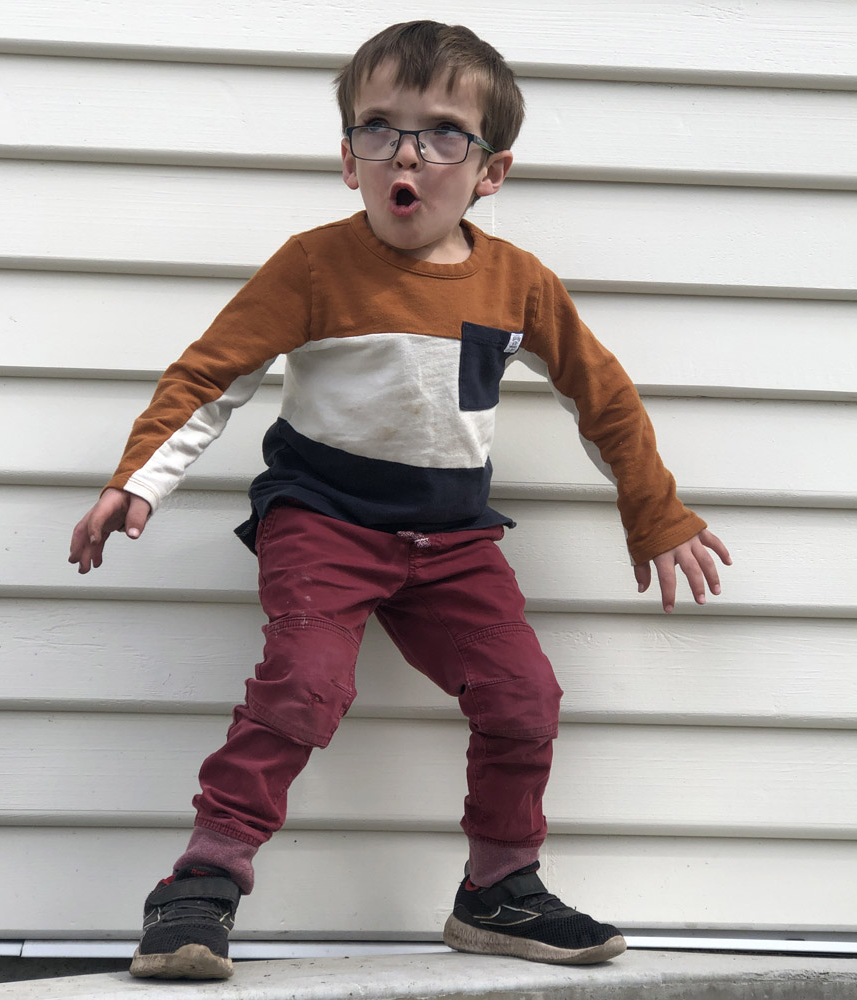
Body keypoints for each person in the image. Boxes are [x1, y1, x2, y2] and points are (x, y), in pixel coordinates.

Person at [68, 20, 731, 980]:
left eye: (442, 132)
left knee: (525, 698)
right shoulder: (312, 265)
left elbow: (606, 401)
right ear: (349, 160)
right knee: (306, 684)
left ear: (490, 172)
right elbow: (212, 377)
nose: (408, 151)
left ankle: (499, 889)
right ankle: (201, 883)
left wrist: (655, 512)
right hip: (324, 515)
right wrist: (140, 478)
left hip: (454, 534)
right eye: (381, 128)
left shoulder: (518, 283)